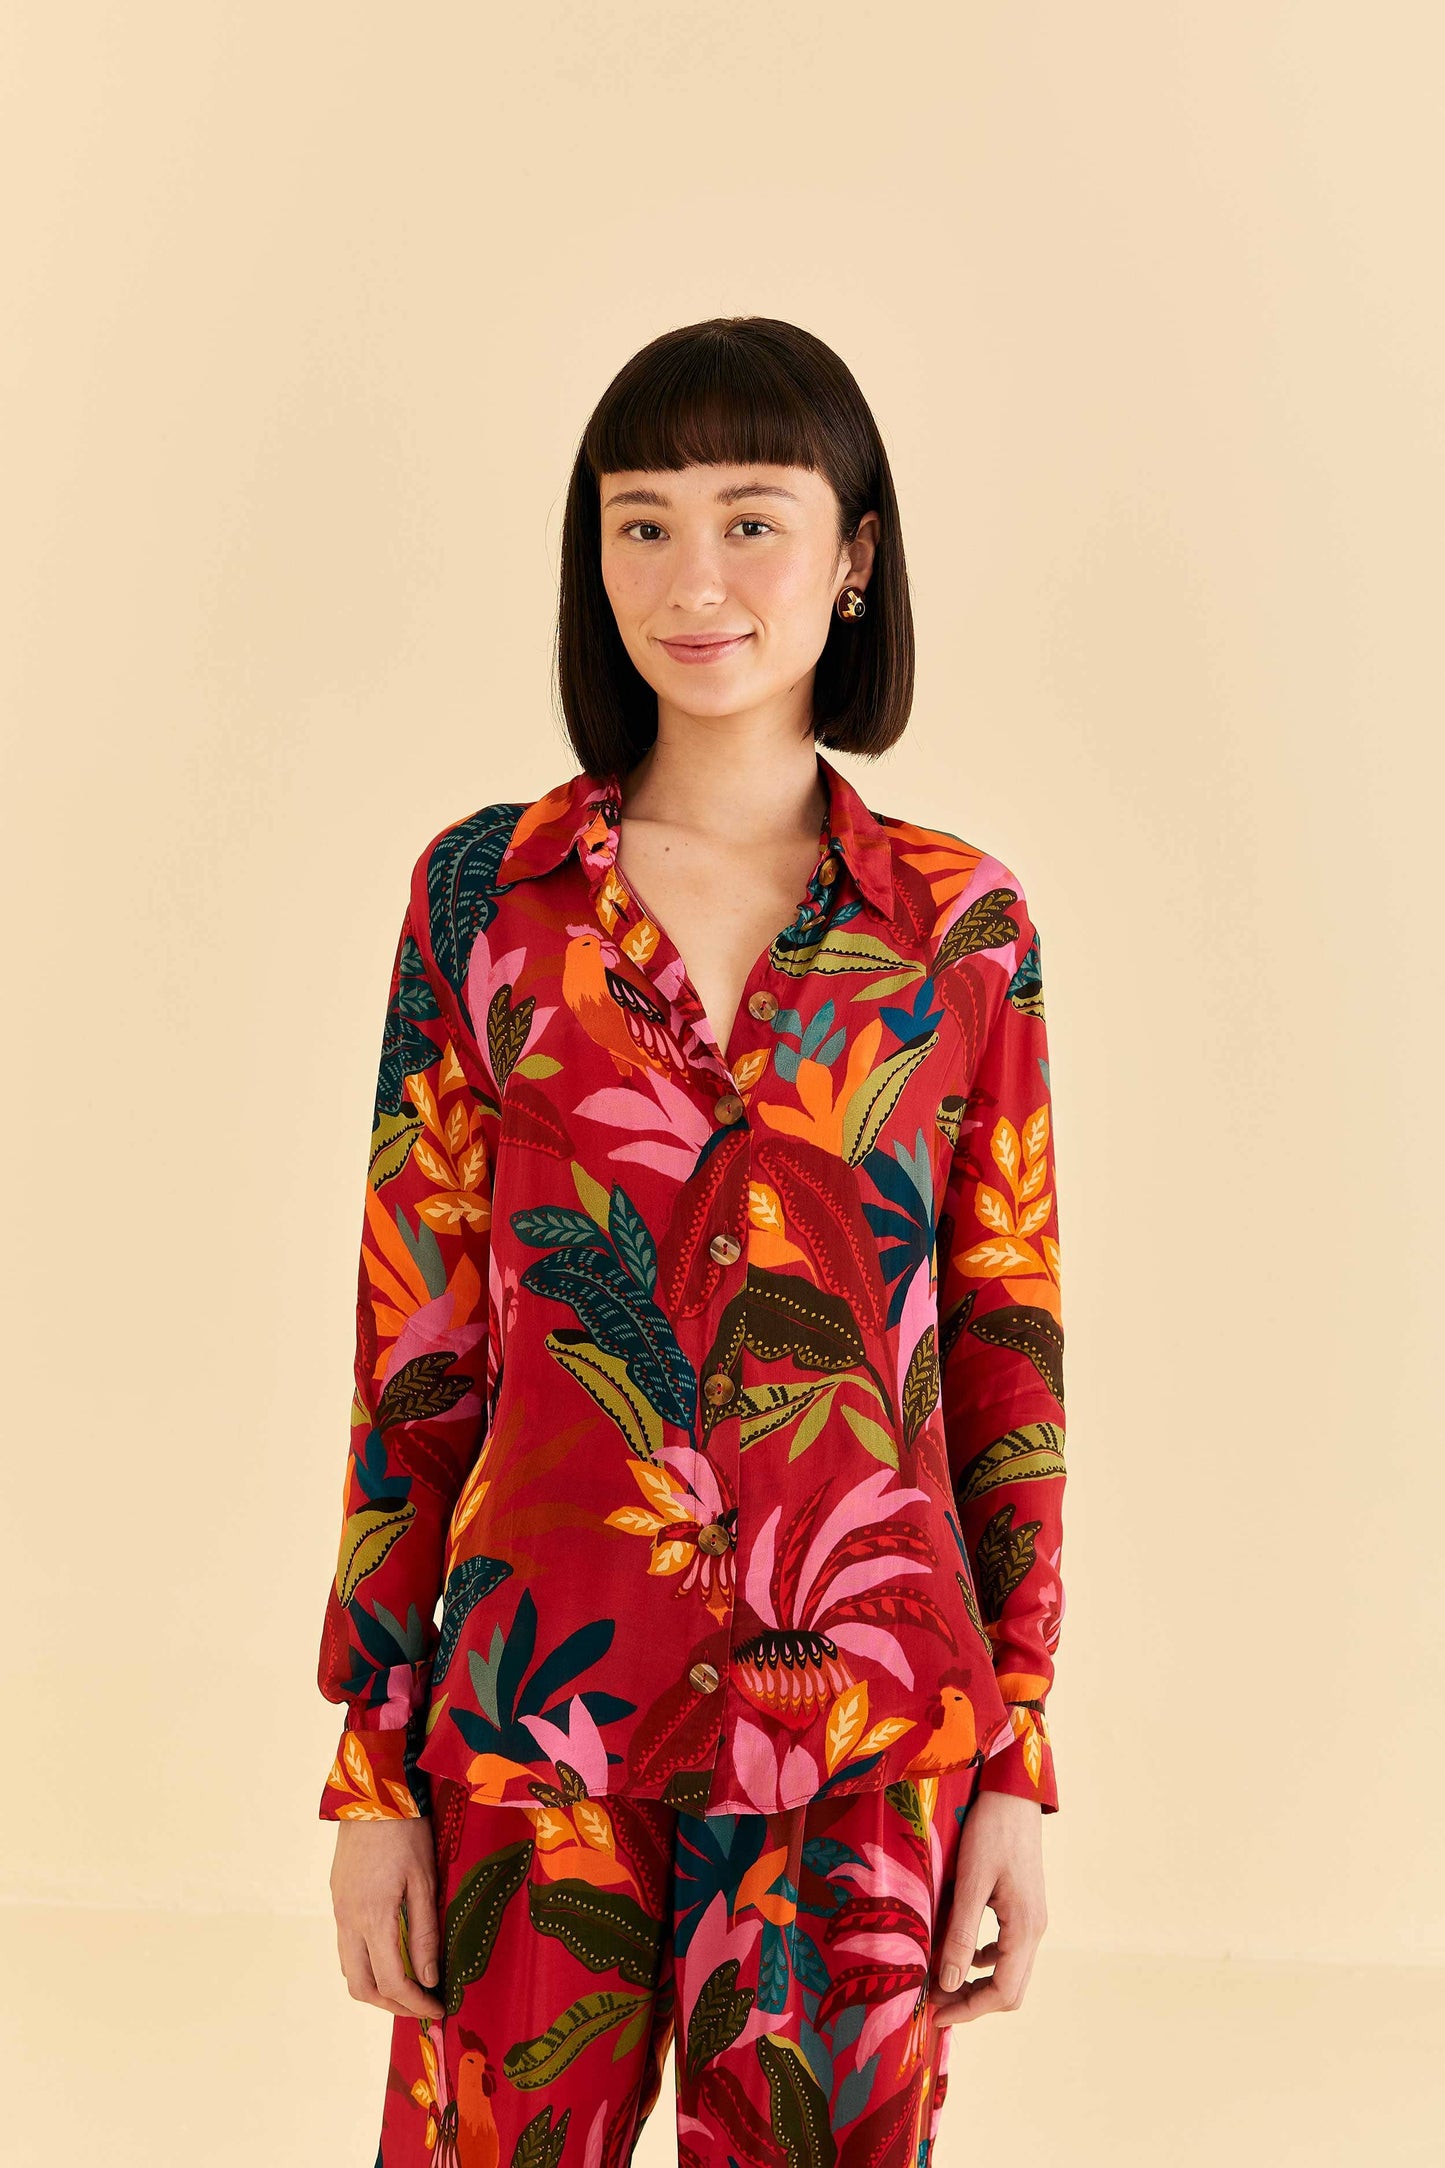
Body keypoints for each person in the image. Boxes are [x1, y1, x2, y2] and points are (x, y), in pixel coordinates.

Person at [319, 315, 1066, 2168]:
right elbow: (417, 1348)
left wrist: (1018, 1758)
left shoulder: (957, 931)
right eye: (639, 525)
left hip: (867, 1730)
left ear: (854, 555)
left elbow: (1003, 1358)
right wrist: (370, 1770)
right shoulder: (486, 901)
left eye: (750, 519)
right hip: (531, 1720)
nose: (692, 578)